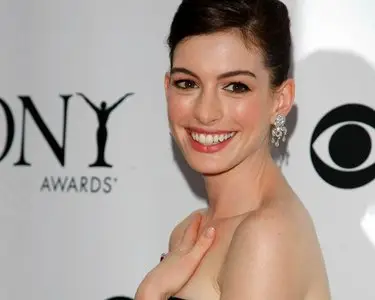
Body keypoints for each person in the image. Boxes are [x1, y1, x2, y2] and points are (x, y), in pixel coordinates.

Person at [136, 0, 331, 299]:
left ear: (280, 99)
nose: (205, 112)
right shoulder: (191, 230)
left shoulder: (265, 238)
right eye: (187, 83)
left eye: (235, 86)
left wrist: (149, 293)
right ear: (167, 87)